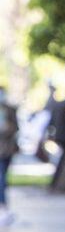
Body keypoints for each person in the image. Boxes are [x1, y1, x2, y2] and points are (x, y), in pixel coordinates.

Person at [0, 86, 18, 224]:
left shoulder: (9, 109)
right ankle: (3, 206)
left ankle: (4, 207)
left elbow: (15, 128)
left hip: (6, 150)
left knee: (3, 179)